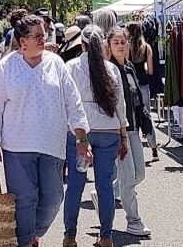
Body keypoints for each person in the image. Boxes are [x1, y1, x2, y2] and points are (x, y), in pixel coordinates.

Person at [0, 14, 92, 247]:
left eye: (44, 34)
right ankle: (26, 242)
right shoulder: (7, 67)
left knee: (53, 199)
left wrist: (82, 138)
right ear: (23, 41)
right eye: (37, 36)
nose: (43, 39)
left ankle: (33, 235)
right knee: (25, 200)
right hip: (16, 147)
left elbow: (73, 101)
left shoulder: (56, 64)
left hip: (52, 144)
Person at [62, 25, 129, 247]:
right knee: (105, 186)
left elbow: (65, 103)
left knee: (75, 185)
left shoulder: (71, 67)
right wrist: (123, 135)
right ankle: (106, 236)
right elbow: (120, 105)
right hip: (109, 131)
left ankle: (70, 236)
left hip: (80, 132)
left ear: (81, 44)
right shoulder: (111, 69)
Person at [106, 27, 152, 238]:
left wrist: (146, 124)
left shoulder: (130, 67)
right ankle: (134, 220)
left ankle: (106, 192)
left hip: (133, 128)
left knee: (139, 173)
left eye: (123, 42)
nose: (120, 46)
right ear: (109, 45)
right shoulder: (108, 70)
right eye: (116, 43)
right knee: (128, 178)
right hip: (118, 130)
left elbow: (137, 100)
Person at [125, 22, 159, 160]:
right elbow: (150, 70)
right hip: (143, 84)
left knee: (131, 116)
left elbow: (125, 65)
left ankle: (134, 149)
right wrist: (143, 68)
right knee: (146, 115)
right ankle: (154, 147)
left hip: (130, 84)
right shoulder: (146, 47)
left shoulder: (126, 47)